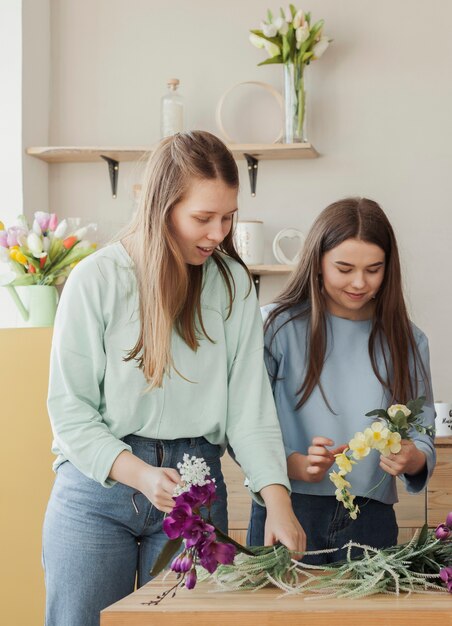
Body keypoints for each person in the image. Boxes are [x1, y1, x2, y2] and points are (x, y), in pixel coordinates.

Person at [43, 131, 305, 626]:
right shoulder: (95, 279)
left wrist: (277, 499)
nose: (218, 233)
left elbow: (249, 408)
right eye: (202, 218)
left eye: (227, 217)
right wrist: (139, 475)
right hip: (97, 492)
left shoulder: (231, 286)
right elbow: (69, 411)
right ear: (162, 207)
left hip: (196, 488)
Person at [247, 197, 436, 564]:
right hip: (286, 507)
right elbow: (246, 424)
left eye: (374, 269)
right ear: (317, 262)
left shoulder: (409, 341)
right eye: (344, 268)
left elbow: (422, 434)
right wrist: (293, 464)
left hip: (371, 518)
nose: (359, 282)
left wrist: (411, 459)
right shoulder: (273, 327)